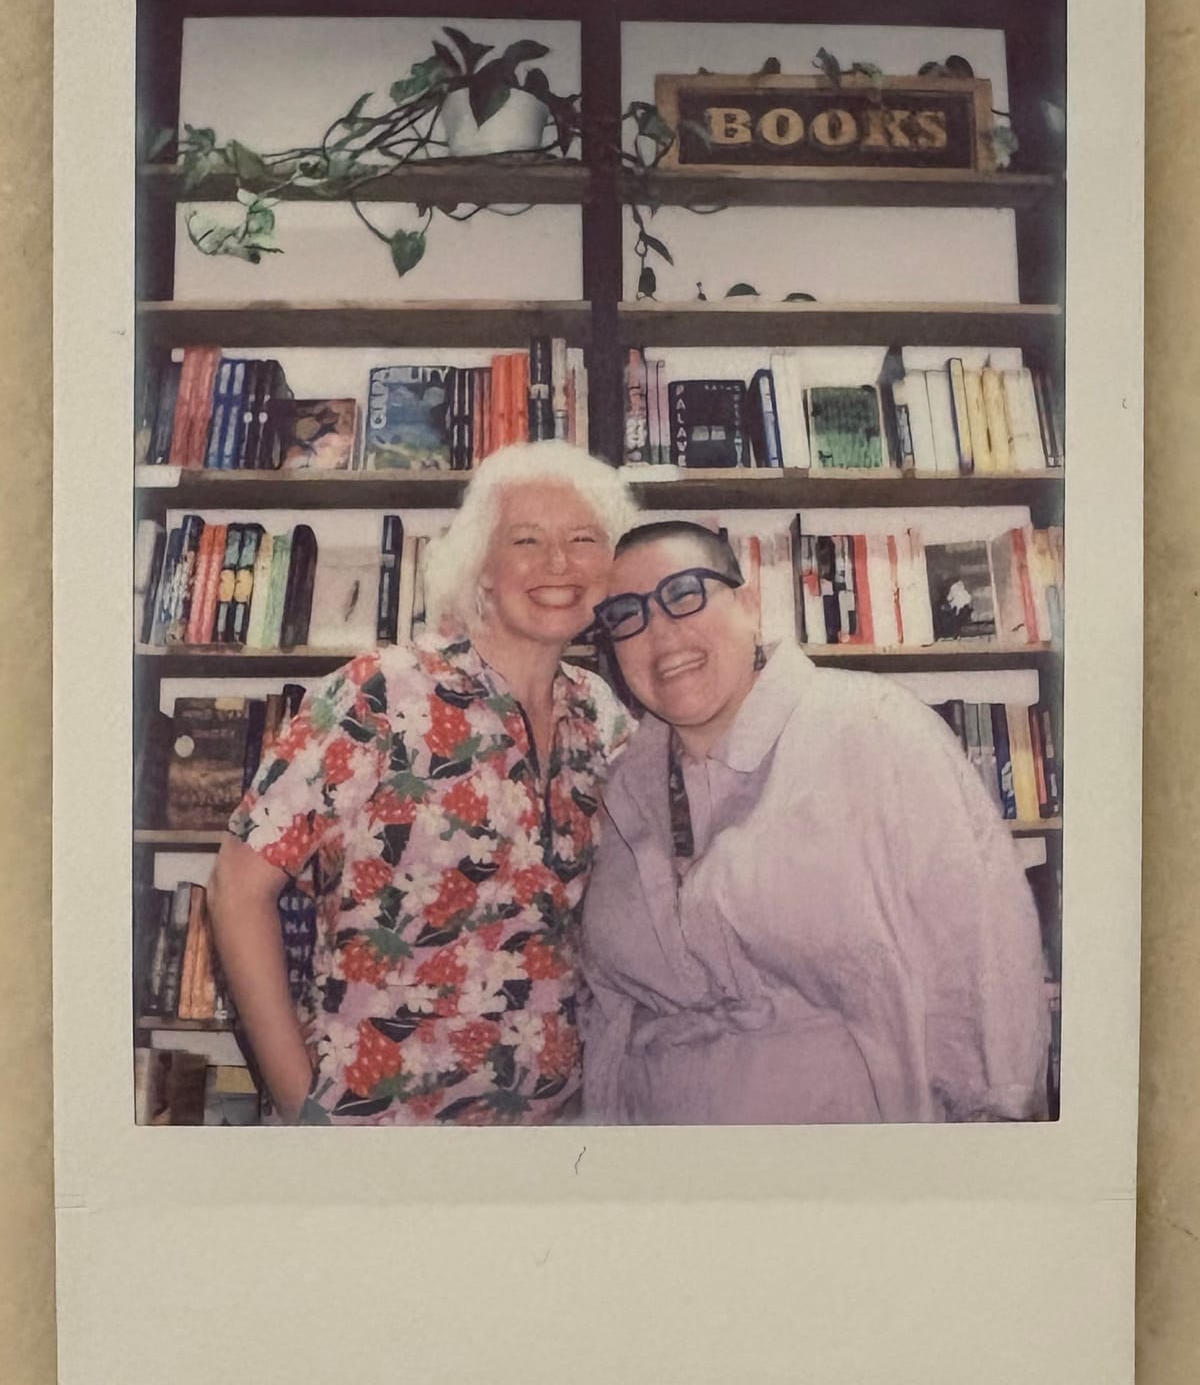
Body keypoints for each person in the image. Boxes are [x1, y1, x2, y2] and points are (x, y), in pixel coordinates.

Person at [207, 442, 636, 1125]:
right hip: (379, 1128)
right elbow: (237, 886)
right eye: (526, 539)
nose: (559, 563)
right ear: (482, 568)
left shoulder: (604, 716)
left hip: (553, 1131)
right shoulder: (377, 693)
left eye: (584, 539)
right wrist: (299, 1100)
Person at [580, 520, 1051, 1125]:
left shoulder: (871, 730)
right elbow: (611, 1014)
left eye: (685, 594)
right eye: (627, 614)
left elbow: (982, 954)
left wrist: (992, 1128)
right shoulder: (625, 784)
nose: (660, 632)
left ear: (750, 605)